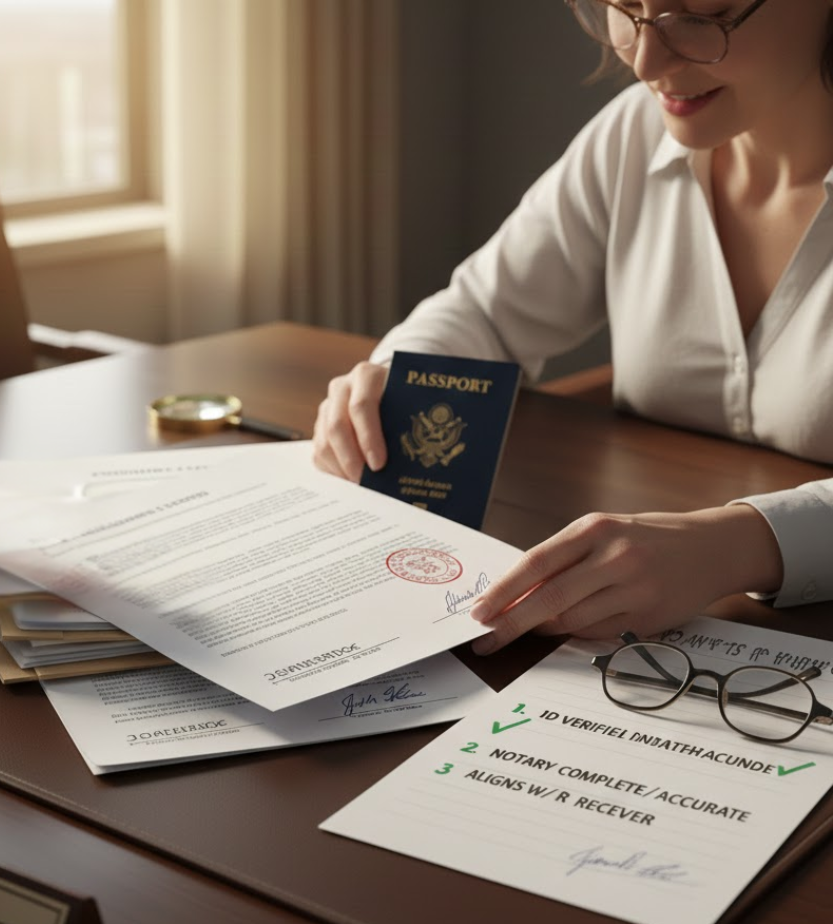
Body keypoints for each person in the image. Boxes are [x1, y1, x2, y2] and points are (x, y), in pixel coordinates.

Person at [312, 0, 833, 655]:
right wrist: (401, 381)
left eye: (703, 15)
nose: (645, 62)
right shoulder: (635, 133)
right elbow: (484, 313)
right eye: (626, 7)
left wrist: (742, 545)